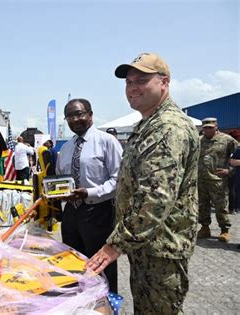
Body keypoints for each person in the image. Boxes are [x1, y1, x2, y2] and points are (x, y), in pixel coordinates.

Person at [87, 52, 199, 314]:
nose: (132, 88)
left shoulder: (168, 128)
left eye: (141, 80)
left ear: (164, 82)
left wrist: (114, 245)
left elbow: (155, 199)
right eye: (128, 82)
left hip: (161, 250)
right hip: (148, 247)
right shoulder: (149, 124)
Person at [56, 98, 123, 293]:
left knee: (102, 266)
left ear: (90, 115)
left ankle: (106, 307)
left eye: (79, 114)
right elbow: (61, 179)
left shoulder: (107, 142)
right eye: (70, 116)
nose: (75, 119)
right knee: (73, 265)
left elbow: (119, 180)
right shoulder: (66, 148)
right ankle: (80, 305)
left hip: (99, 212)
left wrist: (89, 192)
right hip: (72, 214)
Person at [197, 118, 238, 241]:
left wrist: (230, 170)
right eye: (205, 127)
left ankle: (224, 230)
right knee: (202, 206)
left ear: (216, 126)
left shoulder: (228, 140)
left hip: (218, 181)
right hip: (201, 180)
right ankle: (205, 228)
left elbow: (237, 156)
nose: (207, 130)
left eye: (210, 127)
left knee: (221, 206)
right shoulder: (199, 141)